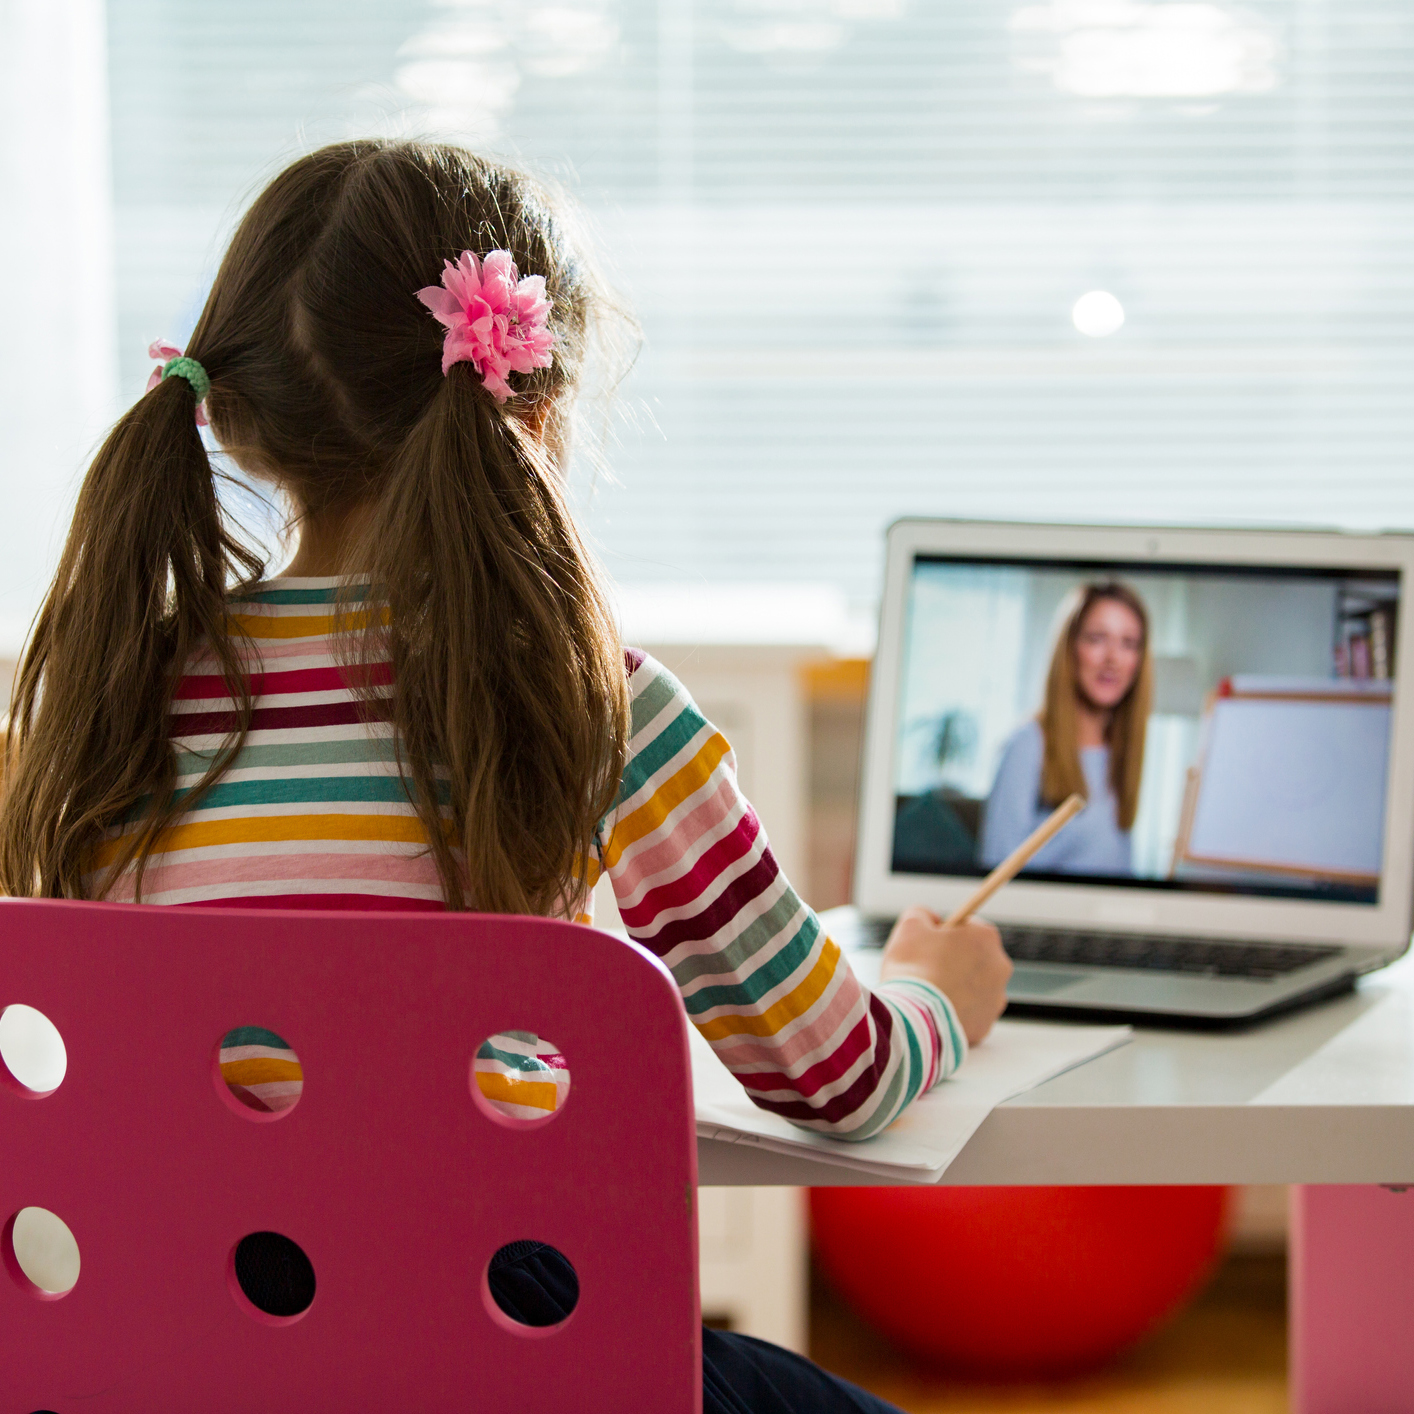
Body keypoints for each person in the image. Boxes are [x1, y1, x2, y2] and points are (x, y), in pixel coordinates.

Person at [0, 140, 1011, 1413]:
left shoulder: (109, 696)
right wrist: (930, 994)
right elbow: (834, 1077)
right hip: (504, 1354)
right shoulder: (594, 699)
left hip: (169, 1358)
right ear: (534, 401)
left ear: (238, 416)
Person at [979, 582, 1152, 876]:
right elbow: (995, 869)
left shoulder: (1122, 752)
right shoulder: (1027, 745)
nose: (1112, 658)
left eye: (1128, 643)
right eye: (1097, 639)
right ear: (1069, 647)